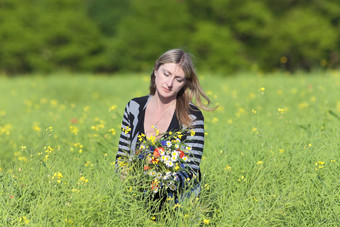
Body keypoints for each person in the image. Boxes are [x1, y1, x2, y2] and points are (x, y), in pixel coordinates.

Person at [115, 49, 214, 205]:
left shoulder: (192, 116)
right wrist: (126, 179)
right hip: (136, 201)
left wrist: (157, 183)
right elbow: (122, 156)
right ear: (156, 70)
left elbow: (191, 170)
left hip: (178, 205)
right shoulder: (134, 107)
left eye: (178, 79)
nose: (169, 84)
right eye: (166, 74)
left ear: (184, 83)